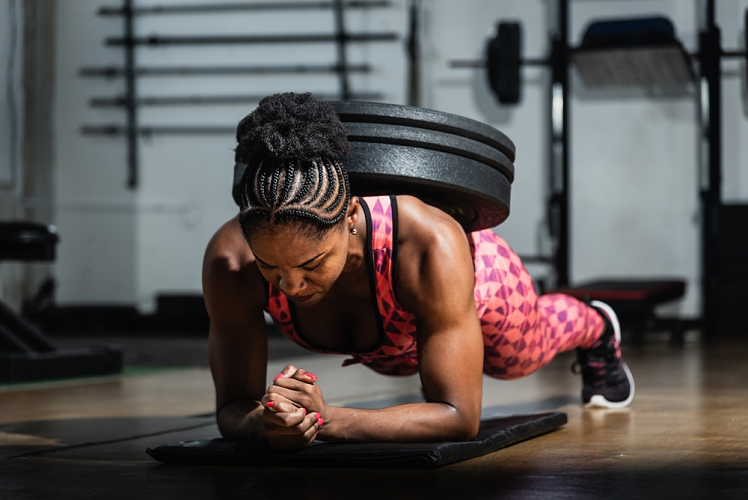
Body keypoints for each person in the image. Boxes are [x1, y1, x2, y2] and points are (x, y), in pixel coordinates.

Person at [202, 92, 634, 452]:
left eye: (311, 264)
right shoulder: (232, 264)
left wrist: (327, 421)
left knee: (517, 358)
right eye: (270, 266)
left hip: (476, 282)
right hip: (390, 344)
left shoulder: (429, 244)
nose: (291, 285)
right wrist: (271, 425)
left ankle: (596, 325)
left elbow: (458, 417)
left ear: (350, 214)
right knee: (398, 365)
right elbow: (232, 409)